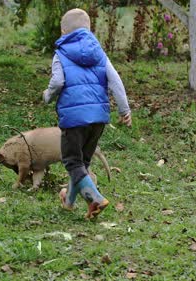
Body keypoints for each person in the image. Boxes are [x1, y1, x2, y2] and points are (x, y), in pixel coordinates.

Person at [43, 8, 132, 219]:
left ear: (64, 31)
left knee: (72, 162)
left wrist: (47, 95)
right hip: (99, 118)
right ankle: (69, 202)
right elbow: (115, 81)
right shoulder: (99, 53)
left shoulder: (61, 53)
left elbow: (57, 82)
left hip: (74, 119)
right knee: (82, 163)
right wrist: (124, 109)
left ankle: (96, 199)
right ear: (89, 28)